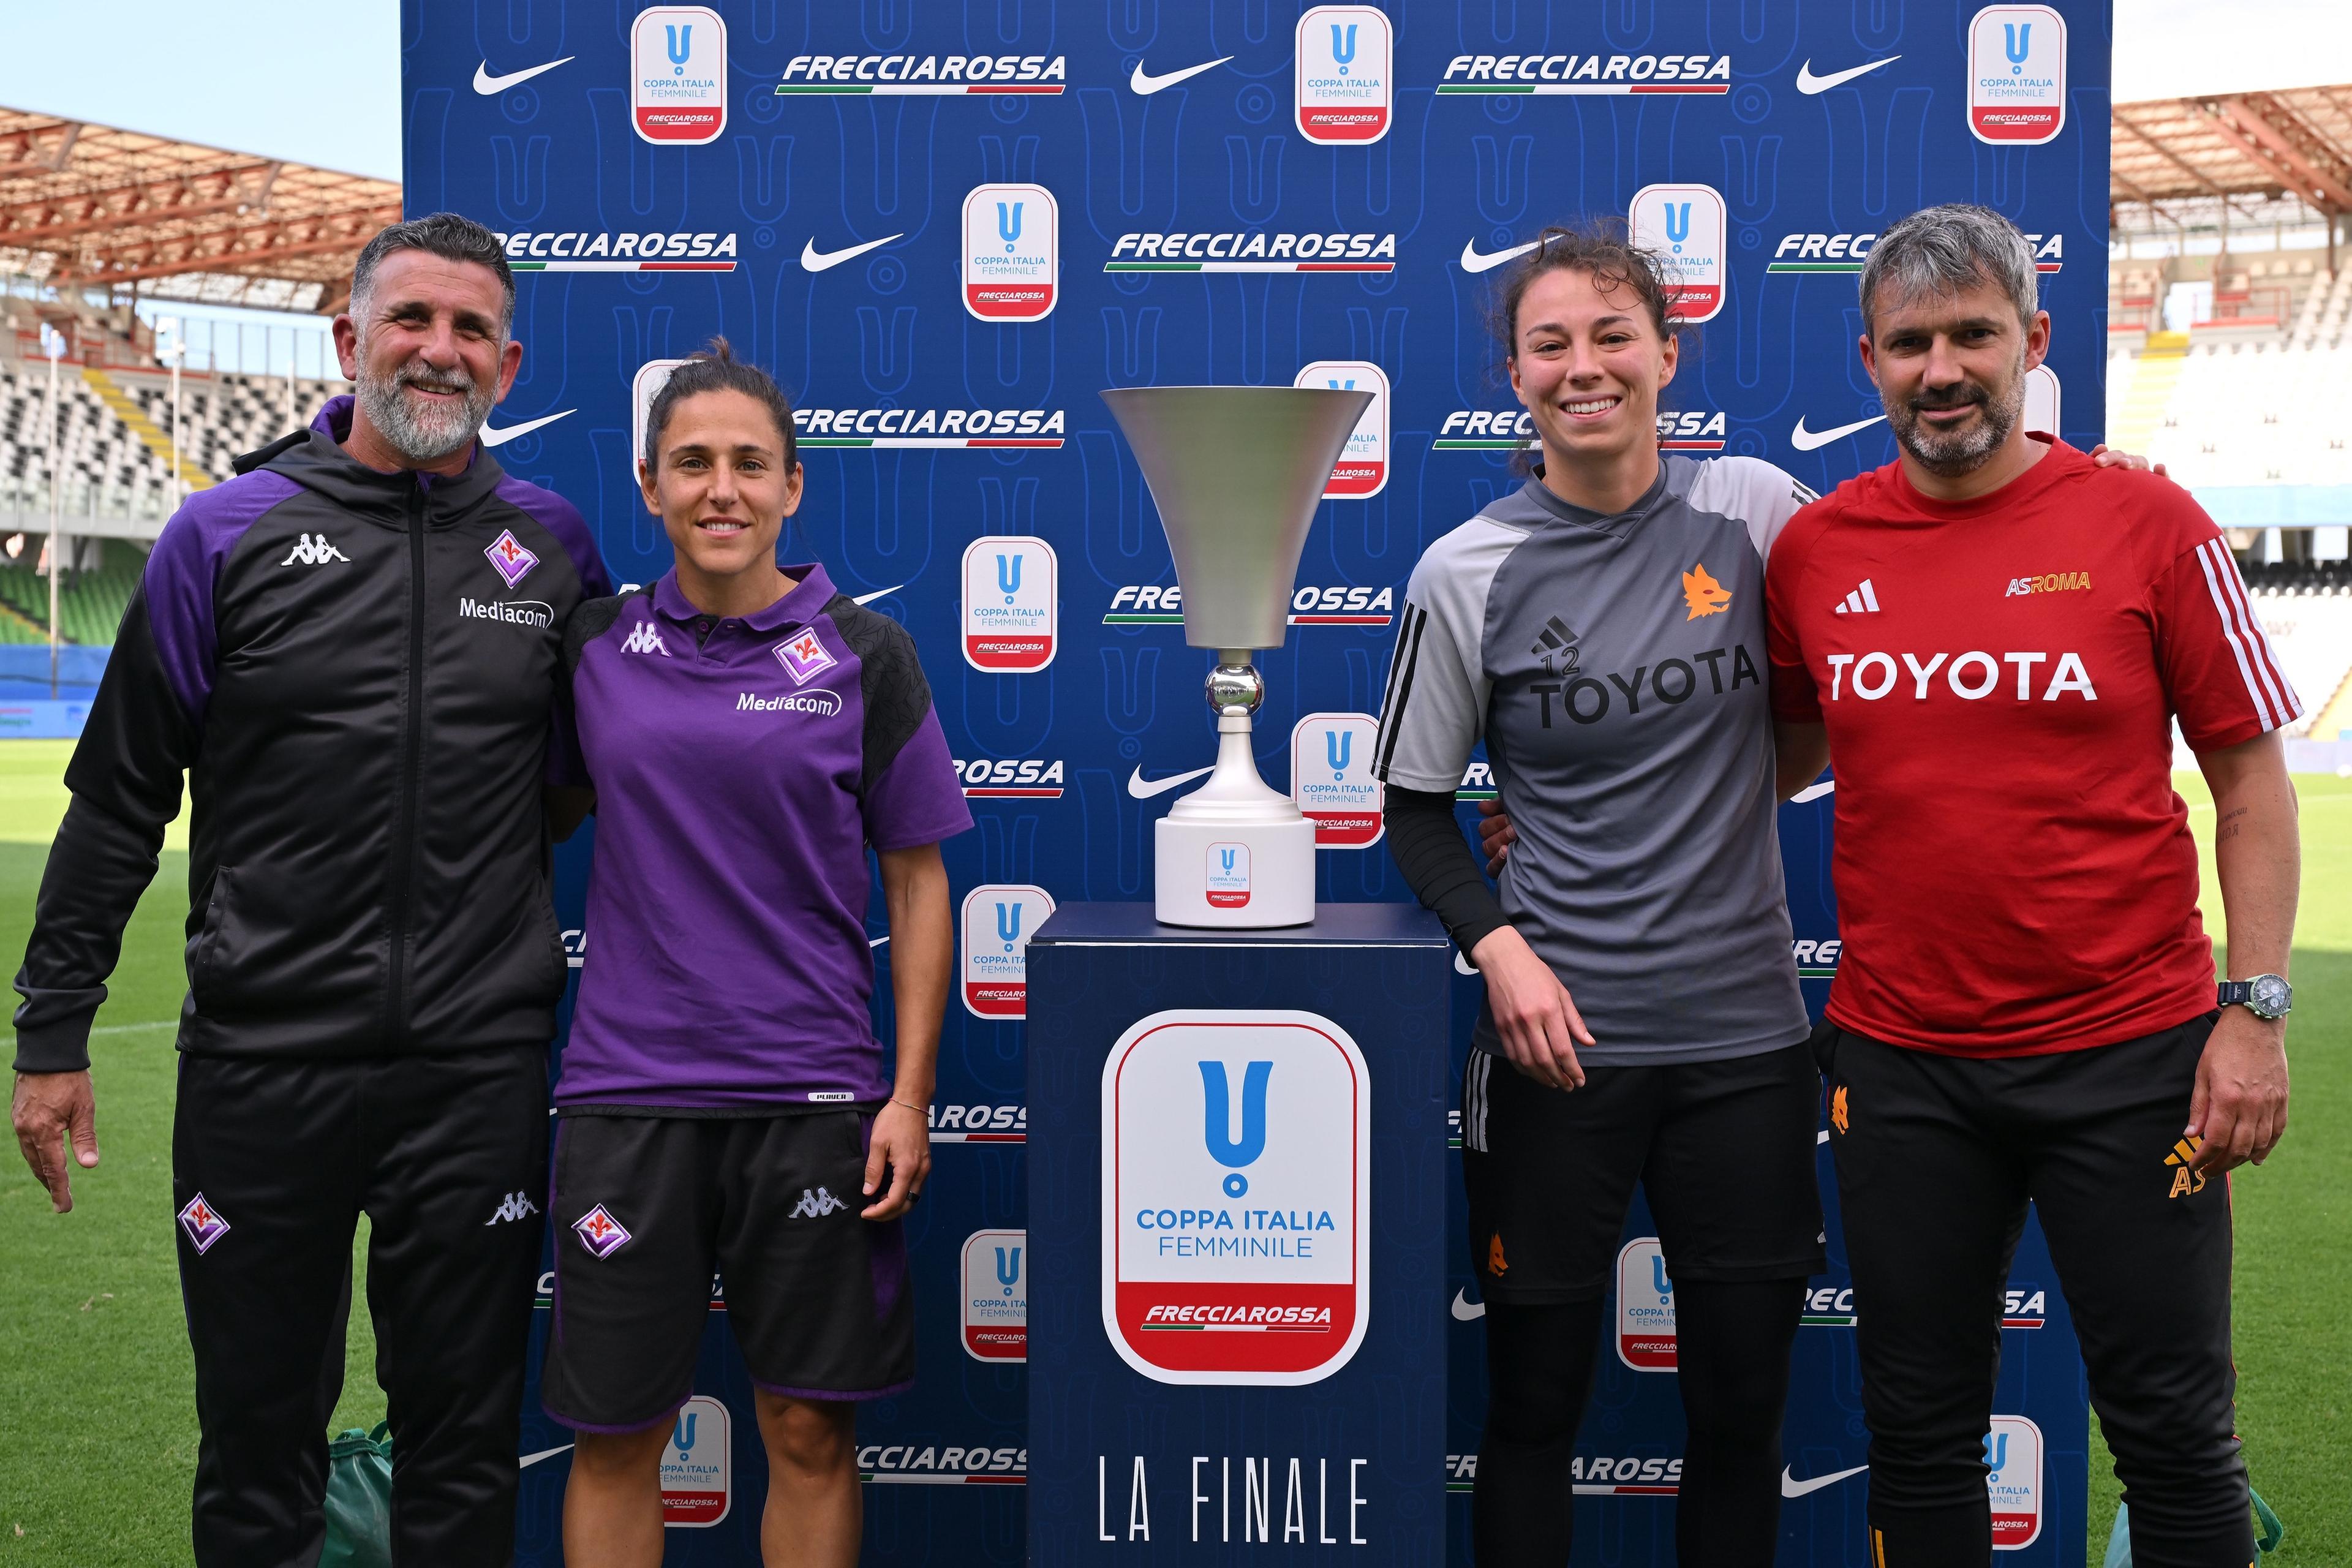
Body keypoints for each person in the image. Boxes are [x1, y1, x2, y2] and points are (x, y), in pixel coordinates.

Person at [7, 213, 608, 1565]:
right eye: (411, 319)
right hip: (262, 1070)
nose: (438, 350)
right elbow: (116, 800)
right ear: (350, 340)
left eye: (469, 330)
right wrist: (52, 1035)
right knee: (258, 1440)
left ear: (507, 364)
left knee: (462, 1442)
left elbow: (578, 780)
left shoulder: (553, 548)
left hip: (475, 1070)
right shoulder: (223, 534)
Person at [1764, 203, 2297, 1568]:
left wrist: (2255, 1008)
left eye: (1974, 335)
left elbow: (2251, 786)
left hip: (2132, 1055)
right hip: (1904, 1066)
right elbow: (1763, 757)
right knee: (1920, 1426)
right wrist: (1569, 808)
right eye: (1910, 343)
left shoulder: (2148, 521)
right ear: (1870, 361)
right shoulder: (1818, 553)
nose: (1942, 368)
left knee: (2174, 1429)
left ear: (2034, 343)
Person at [1372, 223, 1828, 1567]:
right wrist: (1502, 950)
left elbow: (1885, 608)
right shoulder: (1467, 569)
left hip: (1748, 1044)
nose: (1586, 366)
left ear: (1667, 352)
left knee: (1742, 1416)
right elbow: (1412, 809)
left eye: (1613, 334)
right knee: (1533, 1408)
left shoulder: (1755, 510)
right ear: (1514, 374)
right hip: (1557, 1055)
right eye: (1552, 342)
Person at [540, 341, 969, 1568]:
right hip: (629, 1099)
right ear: (649, 484)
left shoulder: (863, 654)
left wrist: (908, 1094)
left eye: (747, 463)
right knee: (617, 1434)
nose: (719, 488)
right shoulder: (591, 648)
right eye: (692, 463)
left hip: (815, 1099)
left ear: (792, 486)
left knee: (806, 1427)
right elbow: (536, 802)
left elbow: (919, 879)